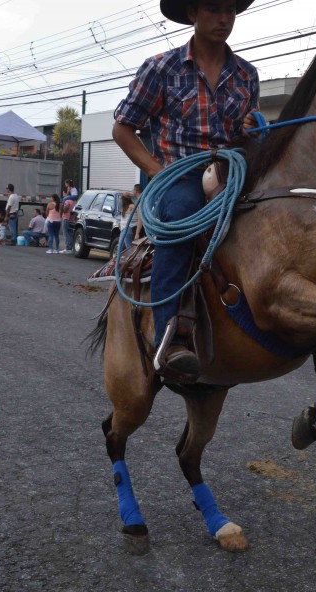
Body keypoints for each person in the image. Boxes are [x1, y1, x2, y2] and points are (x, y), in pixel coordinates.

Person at [112, 0, 260, 382]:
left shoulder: (246, 75)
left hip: (231, 173)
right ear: (193, 13)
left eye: (230, 10)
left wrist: (253, 128)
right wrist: (155, 171)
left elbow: (248, 137)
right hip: (178, 175)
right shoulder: (161, 67)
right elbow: (123, 128)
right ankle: (169, 338)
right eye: (214, 8)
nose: (224, 18)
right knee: (182, 214)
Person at [61, 179, 78, 253]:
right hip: (72, 219)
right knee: (70, 233)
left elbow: (65, 210)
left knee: (66, 233)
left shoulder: (68, 201)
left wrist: (61, 207)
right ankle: (70, 248)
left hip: (66, 218)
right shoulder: (75, 202)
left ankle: (67, 248)